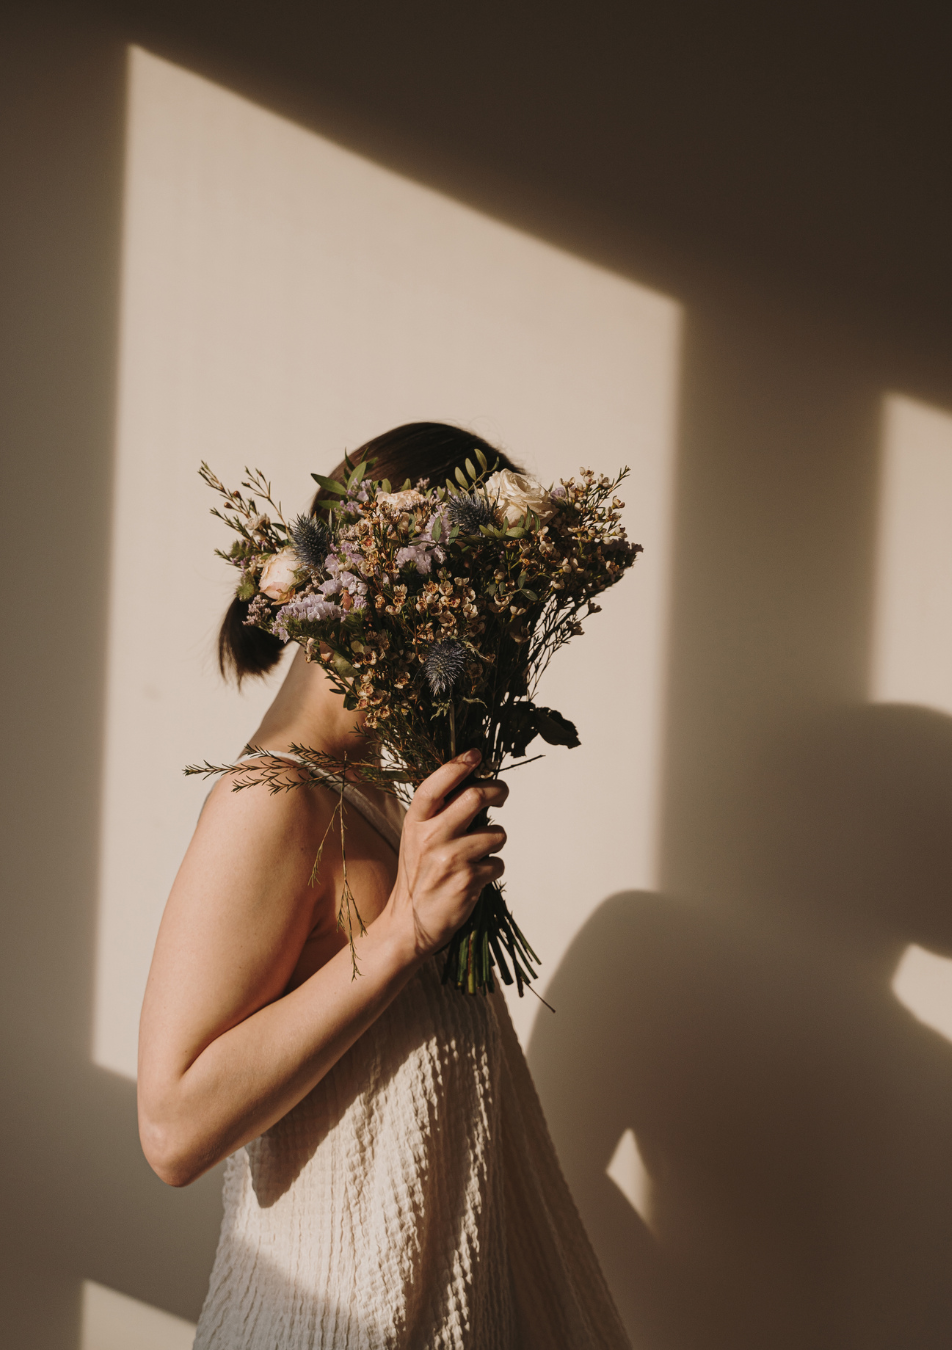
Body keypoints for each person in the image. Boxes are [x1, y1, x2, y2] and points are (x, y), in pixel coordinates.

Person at [137, 423, 630, 1349]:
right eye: (491, 604)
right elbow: (171, 1128)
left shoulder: (379, 794)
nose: (502, 641)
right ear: (392, 589)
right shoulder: (267, 800)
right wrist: (404, 930)